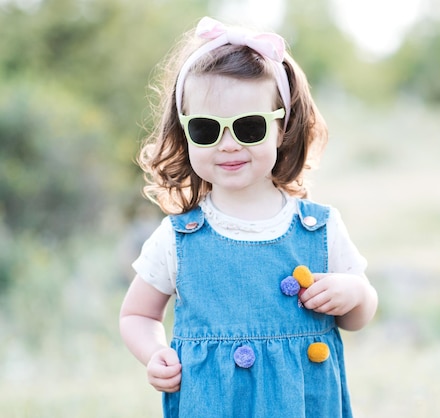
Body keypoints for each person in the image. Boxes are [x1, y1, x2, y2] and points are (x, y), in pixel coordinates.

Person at [119, 16, 378, 418]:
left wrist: (356, 294)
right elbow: (138, 313)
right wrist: (154, 354)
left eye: (250, 127)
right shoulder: (180, 237)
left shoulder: (320, 228)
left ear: (282, 127)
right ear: (185, 134)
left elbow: (358, 316)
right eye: (206, 129)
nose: (228, 145)